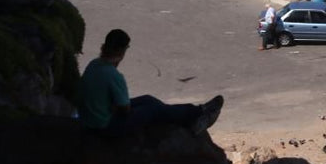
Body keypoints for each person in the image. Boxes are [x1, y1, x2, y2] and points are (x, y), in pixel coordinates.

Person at [78, 29, 223, 137]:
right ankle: (198, 113)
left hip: (92, 119)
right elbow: (125, 109)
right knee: (154, 110)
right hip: (106, 126)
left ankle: (186, 117)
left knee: (148, 99)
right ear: (122, 51)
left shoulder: (94, 64)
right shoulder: (114, 76)